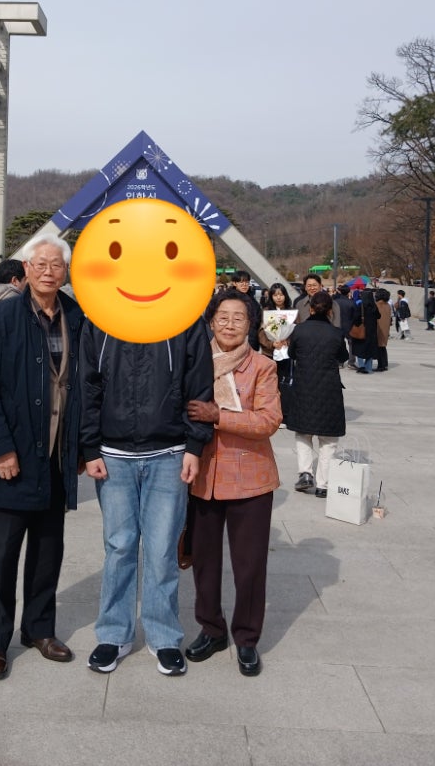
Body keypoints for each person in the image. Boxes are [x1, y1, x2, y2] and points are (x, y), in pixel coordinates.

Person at [0, 234, 84, 680]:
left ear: (65, 272)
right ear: (26, 269)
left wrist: (82, 447)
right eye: (40, 264)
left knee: (48, 550)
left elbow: (85, 384)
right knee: (2, 554)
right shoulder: (3, 316)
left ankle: (39, 630)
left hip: (56, 455)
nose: (49, 271)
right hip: (13, 456)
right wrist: (1, 449)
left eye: (56, 265)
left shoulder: (75, 315)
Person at [80, 312, 214, 677]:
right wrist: (89, 447)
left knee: (162, 549)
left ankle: (164, 636)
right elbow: (87, 384)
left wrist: (195, 446)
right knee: (119, 547)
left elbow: (199, 383)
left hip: (169, 451)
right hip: (113, 452)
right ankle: (113, 634)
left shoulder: (184, 316)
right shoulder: (101, 317)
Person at [185, 287, 282, 677]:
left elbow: (269, 421)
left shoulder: (262, 367)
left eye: (238, 317)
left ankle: (246, 638)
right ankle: (211, 629)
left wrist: (218, 416)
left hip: (251, 479)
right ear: (211, 321)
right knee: (204, 562)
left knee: (249, 565)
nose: (229, 324)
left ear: (251, 324)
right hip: (204, 476)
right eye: (222, 317)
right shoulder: (194, 362)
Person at [285, 291, 348, 497]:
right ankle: (323, 485)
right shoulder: (336, 333)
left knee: (303, 433)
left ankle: (305, 473)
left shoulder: (299, 330)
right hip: (329, 389)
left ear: (310, 309)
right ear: (330, 311)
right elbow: (343, 357)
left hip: (304, 386)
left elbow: (291, 354)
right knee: (328, 440)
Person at [351, 288, 380, 374]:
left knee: (359, 349)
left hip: (362, 332)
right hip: (372, 332)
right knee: (370, 350)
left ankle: (361, 366)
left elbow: (355, 318)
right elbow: (379, 316)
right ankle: (368, 368)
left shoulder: (360, 306)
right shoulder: (374, 307)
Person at [231, 270, 262, 351]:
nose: (244, 285)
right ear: (234, 283)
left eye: (247, 282)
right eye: (241, 282)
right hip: (233, 340)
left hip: (251, 341)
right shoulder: (229, 300)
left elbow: (258, 320)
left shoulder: (253, 301)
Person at [374, 288, 392, 371]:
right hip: (385, 329)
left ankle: (381, 365)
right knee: (382, 347)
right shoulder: (387, 305)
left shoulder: (377, 305)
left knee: (379, 348)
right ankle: (384, 364)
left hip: (378, 329)